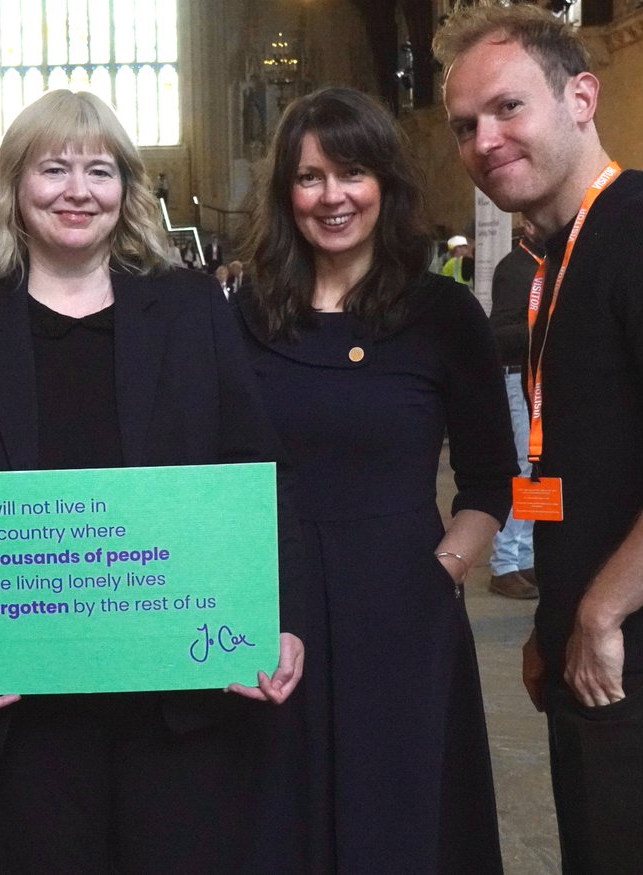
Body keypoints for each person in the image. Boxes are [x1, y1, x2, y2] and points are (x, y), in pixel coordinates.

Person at [0, 88, 305, 874]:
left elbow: (256, 475)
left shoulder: (190, 311)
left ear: (127, 191)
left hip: (182, 701)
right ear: (14, 186)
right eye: (54, 168)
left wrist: (279, 619)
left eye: (100, 170)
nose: (78, 190)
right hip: (21, 707)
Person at [437, 5, 643, 873]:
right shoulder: (565, 250)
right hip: (596, 656)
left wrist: (601, 609)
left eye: (507, 108)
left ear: (581, 96)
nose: (484, 140)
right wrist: (560, 619)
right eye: (465, 125)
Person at [238, 86, 516, 873]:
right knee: (277, 820)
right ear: (285, 193)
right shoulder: (246, 314)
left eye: (352, 173)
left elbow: (489, 480)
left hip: (399, 607)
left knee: (396, 820)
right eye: (310, 177)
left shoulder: (442, 314)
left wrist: (441, 573)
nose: (333, 197)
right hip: (271, 609)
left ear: (386, 184)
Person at [487, 219, 542, 600]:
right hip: (514, 377)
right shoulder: (514, 268)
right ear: (526, 226)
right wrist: (547, 326)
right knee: (520, 467)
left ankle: (524, 557)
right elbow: (500, 333)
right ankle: (503, 564)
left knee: (535, 467)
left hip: (537, 381)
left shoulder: (549, 263)